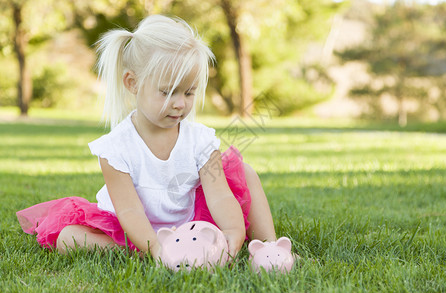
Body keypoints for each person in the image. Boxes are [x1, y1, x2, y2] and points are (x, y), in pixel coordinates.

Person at [16, 15, 278, 260]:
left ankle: (267, 246)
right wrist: (157, 249)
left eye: (189, 93)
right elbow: (129, 211)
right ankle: (149, 252)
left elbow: (220, 197)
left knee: (244, 172)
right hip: (132, 228)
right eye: (167, 92)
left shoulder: (200, 141)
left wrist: (232, 233)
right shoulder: (116, 148)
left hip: (189, 221)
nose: (180, 104)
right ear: (132, 83)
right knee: (69, 238)